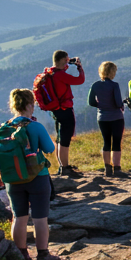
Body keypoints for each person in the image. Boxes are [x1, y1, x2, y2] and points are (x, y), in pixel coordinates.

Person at [1, 89, 59, 260]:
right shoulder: (35, 126)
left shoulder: (4, 128)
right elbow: (49, 148)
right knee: (40, 218)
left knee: (19, 217)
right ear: (29, 105)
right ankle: (43, 256)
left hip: (12, 178)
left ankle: (22, 257)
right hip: (37, 177)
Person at [41, 50, 86, 178]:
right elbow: (80, 80)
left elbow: (62, 70)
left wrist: (68, 63)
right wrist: (79, 67)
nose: (68, 61)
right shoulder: (60, 75)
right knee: (65, 138)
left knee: (60, 137)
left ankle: (62, 166)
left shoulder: (50, 73)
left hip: (55, 109)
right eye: (66, 59)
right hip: (65, 109)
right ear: (62, 60)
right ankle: (65, 167)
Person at [88, 61, 127, 177]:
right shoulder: (114, 85)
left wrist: (101, 105)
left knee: (106, 142)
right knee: (116, 142)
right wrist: (123, 104)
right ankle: (117, 168)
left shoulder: (95, 85)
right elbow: (118, 103)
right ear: (112, 72)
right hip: (116, 117)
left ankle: (107, 168)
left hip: (102, 117)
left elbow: (91, 102)